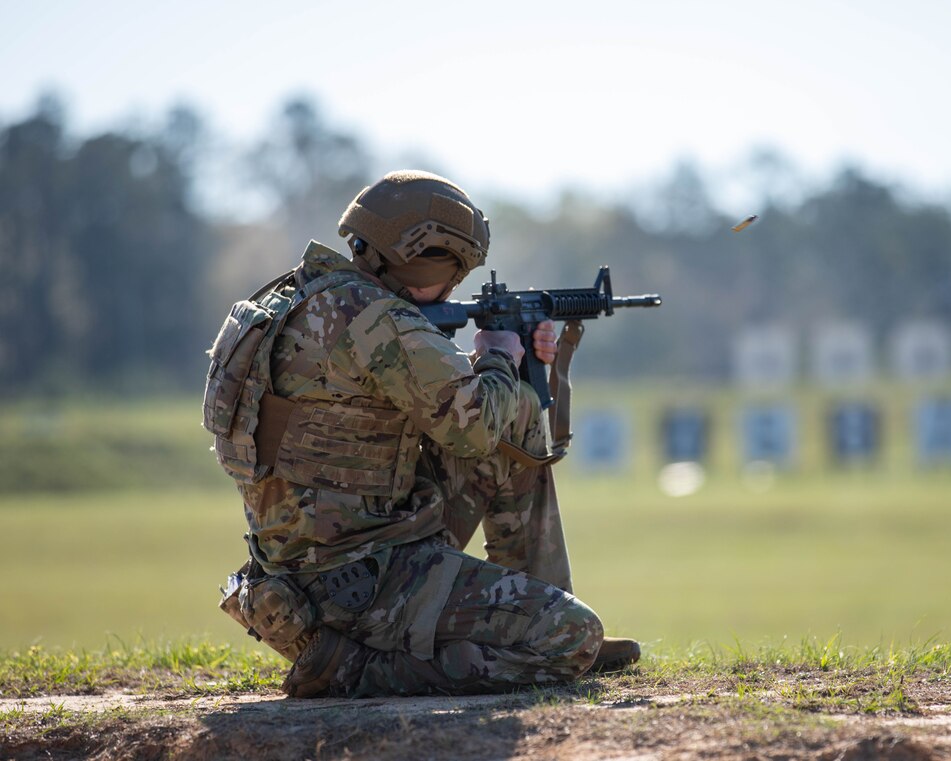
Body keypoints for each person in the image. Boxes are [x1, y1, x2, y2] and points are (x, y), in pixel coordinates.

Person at [204, 169, 640, 698]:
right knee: (574, 636)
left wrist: (504, 367)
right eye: (453, 271)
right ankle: (355, 669)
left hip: (302, 577)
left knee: (519, 410)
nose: (455, 286)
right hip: (357, 586)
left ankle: (541, 604)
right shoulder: (376, 320)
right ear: (424, 258)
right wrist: (501, 355)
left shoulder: (298, 299)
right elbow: (473, 427)